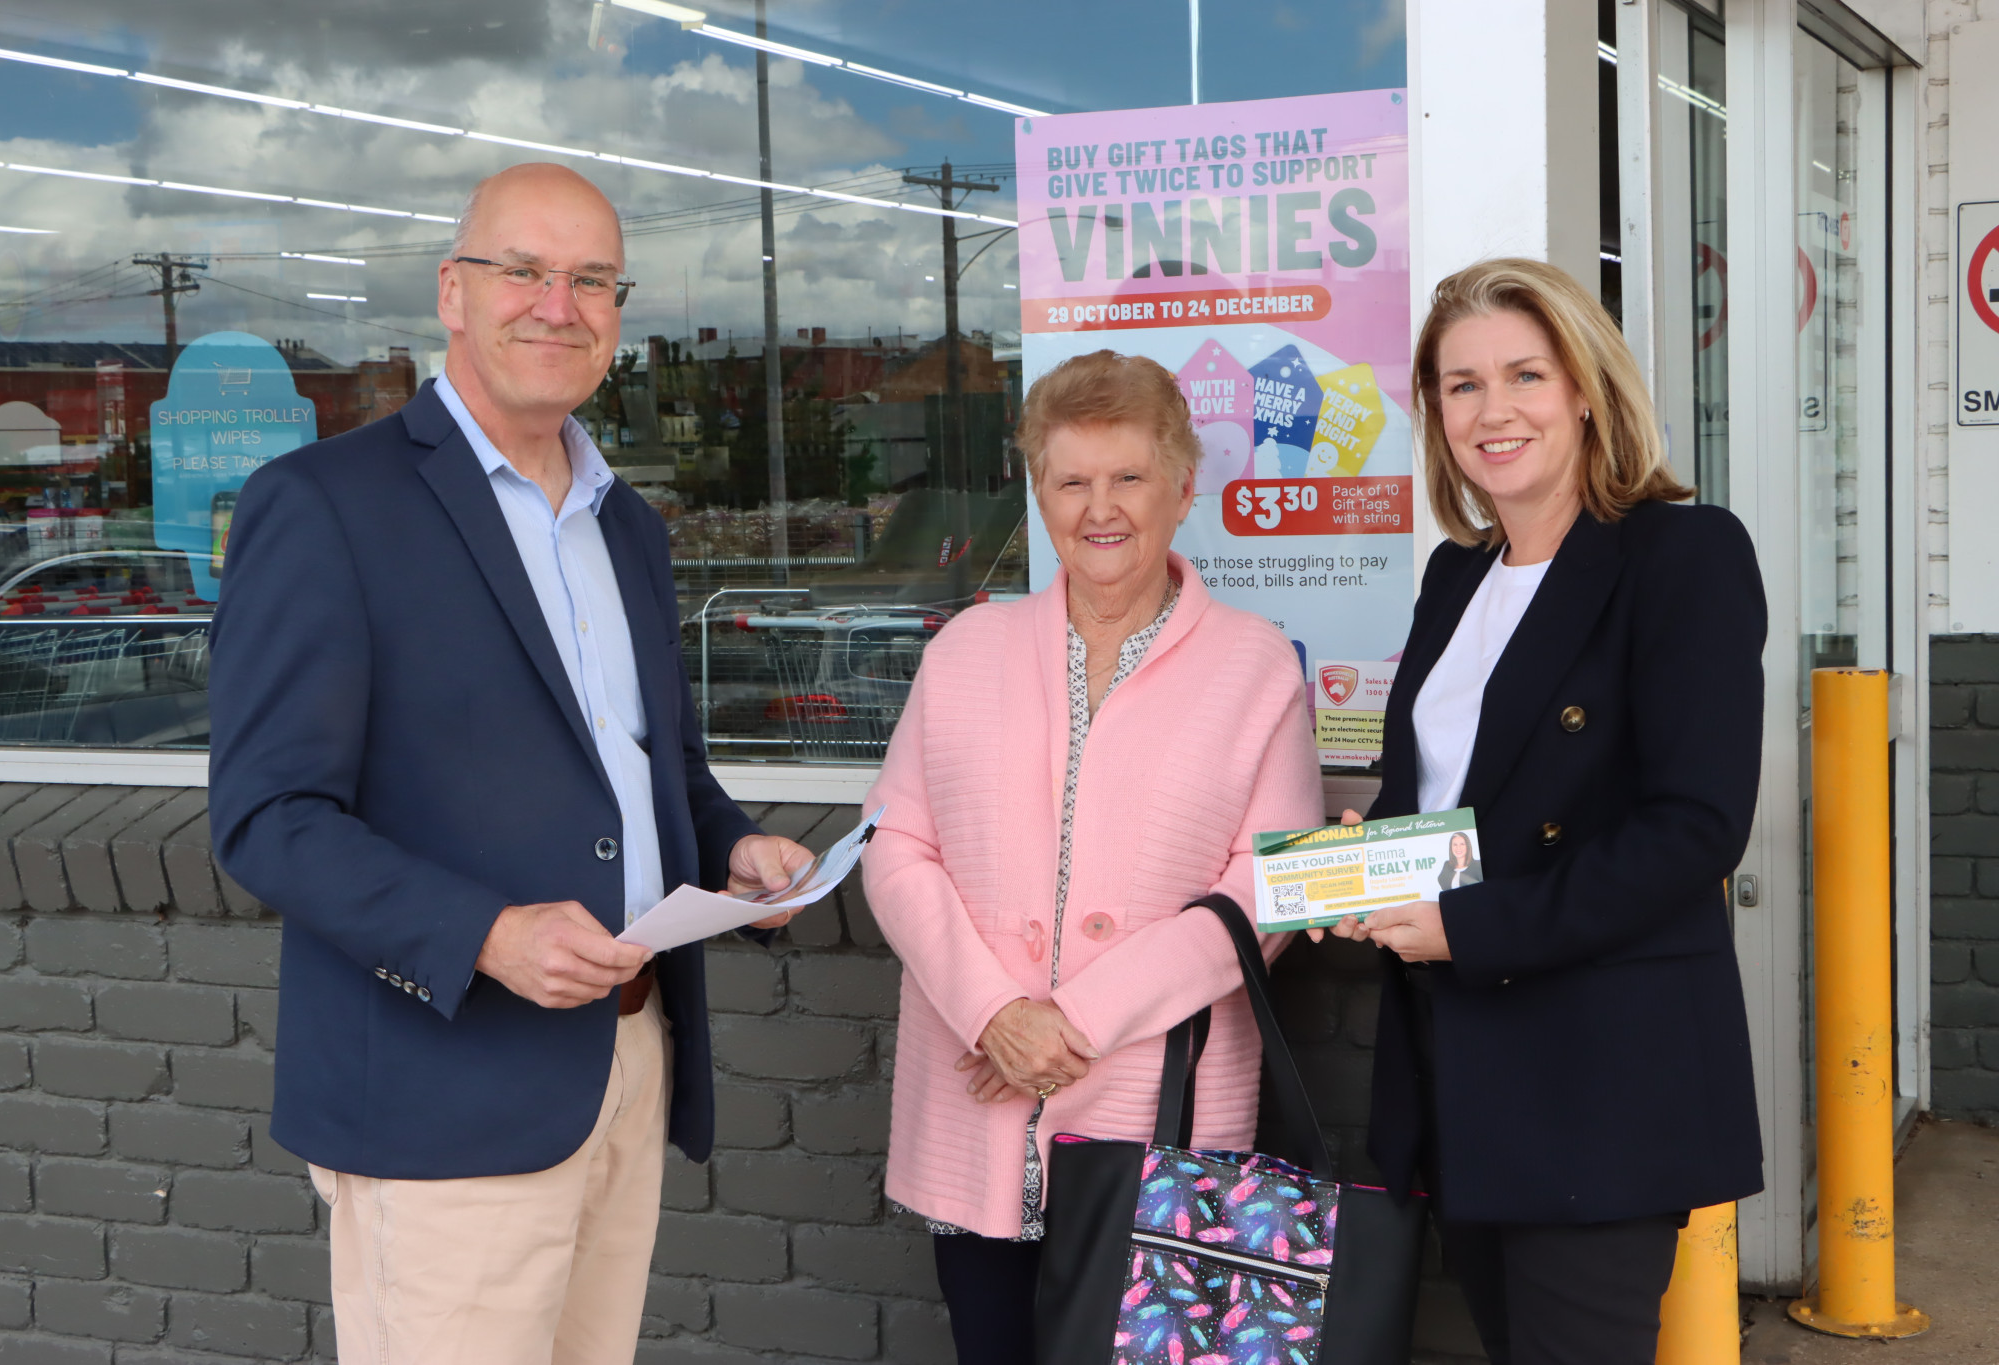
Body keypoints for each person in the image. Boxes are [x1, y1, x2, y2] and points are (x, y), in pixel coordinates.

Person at [209, 163, 815, 1365]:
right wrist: (485, 932)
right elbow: (269, 815)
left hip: (625, 1065)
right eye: (524, 270)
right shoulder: (325, 505)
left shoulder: (624, 525)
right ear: (452, 292)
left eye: (591, 279)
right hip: (445, 1095)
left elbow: (651, 766)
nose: (559, 303)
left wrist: (731, 843)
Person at [1317, 257, 1765, 1365]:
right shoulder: (1452, 576)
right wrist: (1356, 863)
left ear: (1581, 388)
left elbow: (1694, 825)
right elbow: (1442, 803)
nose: (1492, 409)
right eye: (1460, 384)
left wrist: (1469, 927)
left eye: (1524, 373)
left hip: (1596, 1074)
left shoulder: (1681, 555)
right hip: (1457, 1068)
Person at [862, 350, 1325, 1363]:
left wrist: (1072, 1023)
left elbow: (1267, 886)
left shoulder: (1253, 665)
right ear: (1038, 492)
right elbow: (897, 846)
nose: (1098, 508)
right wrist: (995, 1013)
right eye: (1070, 480)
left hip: (1158, 1119)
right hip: (977, 1102)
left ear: (1181, 485)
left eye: (1127, 477)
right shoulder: (966, 652)